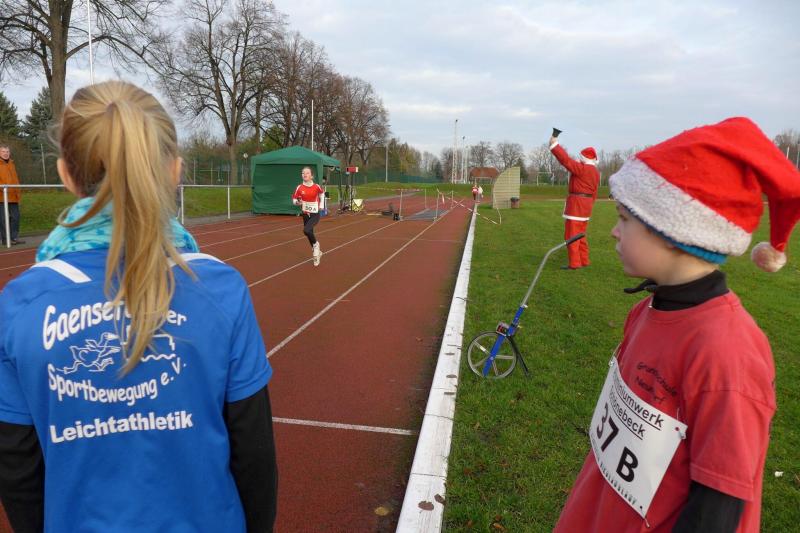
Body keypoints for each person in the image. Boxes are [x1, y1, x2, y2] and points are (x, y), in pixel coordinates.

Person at [0, 81, 278, 532]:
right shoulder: (219, 288)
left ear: (65, 174)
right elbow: (254, 453)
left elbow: (17, 467)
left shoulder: (19, 305)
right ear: (175, 170)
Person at [554, 117, 800, 532]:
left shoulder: (727, 354)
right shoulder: (646, 310)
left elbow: (718, 507)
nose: (613, 231)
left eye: (625, 219)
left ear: (672, 231)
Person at [549, 135, 600, 270]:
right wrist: (589, 205)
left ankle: (575, 263)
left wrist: (554, 145)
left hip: (576, 206)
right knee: (581, 235)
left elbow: (565, 160)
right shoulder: (595, 172)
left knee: (571, 235)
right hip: (586, 206)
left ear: (584, 158)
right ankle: (584, 260)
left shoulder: (582, 168)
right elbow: (595, 192)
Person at [292, 166, 325, 266]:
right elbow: (294, 200)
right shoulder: (299, 187)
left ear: (312, 176)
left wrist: (321, 205)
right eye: (303, 173)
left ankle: (316, 246)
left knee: (306, 230)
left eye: (307, 173)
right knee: (309, 232)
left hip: (315, 213)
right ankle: (317, 253)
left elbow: (322, 194)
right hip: (305, 214)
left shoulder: (316, 186)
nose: (304, 174)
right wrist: (297, 202)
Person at [0, 144, 25, 245]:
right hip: (2, 196)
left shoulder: (12, 163)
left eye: (7, 151)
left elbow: (15, 180)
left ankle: (14, 237)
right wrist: (3, 188)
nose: (5, 153)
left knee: (16, 217)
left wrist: (18, 192)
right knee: (3, 219)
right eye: (3, 151)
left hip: (13, 196)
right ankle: (5, 239)